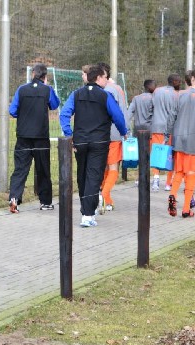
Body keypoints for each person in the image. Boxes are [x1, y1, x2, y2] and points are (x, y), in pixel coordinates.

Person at [59, 65, 128, 227]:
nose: (106, 80)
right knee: (94, 176)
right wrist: (123, 131)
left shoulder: (76, 94)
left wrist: (69, 134)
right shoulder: (105, 96)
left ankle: (86, 207)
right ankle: (88, 214)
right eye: (105, 77)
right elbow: (117, 116)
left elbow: (64, 114)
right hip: (99, 142)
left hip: (80, 141)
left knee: (82, 175)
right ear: (98, 78)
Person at [8, 63, 60, 213]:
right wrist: (49, 88)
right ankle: (45, 202)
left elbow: (12, 111)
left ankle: (14, 198)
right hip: (41, 136)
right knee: (43, 169)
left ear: (32, 74)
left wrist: (24, 115)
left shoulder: (21, 89)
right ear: (45, 77)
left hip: (23, 135)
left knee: (20, 168)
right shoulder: (47, 90)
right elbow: (55, 105)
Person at [166, 68, 195, 218]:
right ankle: (186, 209)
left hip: (179, 139)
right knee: (191, 173)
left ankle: (172, 194)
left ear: (192, 79)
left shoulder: (180, 95)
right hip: (194, 141)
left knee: (179, 171)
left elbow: (171, 117)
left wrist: (169, 135)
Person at [98, 62, 129, 213]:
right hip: (116, 133)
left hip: (110, 133)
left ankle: (103, 194)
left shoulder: (107, 90)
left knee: (112, 167)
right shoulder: (118, 88)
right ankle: (107, 198)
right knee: (110, 165)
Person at [150, 74, 182, 191]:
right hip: (170, 128)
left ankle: (156, 180)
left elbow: (152, 105)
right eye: (179, 81)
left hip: (157, 126)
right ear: (175, 82)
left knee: (156, 153)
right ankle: (169, 183)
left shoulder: (157, 91)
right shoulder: (177, 95)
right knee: (170, 155)